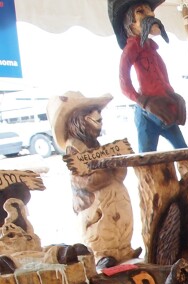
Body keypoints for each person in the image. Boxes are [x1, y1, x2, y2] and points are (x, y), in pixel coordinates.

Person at [47, 91, 141, 270]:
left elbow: (115, 174)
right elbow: (87, 180)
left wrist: (117, 163)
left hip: (114, 195)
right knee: (101, 225)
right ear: (78, 119)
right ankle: (102, 254)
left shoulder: (96, 146)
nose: (98, 115)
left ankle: (123, 249)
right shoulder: (74, 147)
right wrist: (106, 171)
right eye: (91, 111)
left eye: (98, 110)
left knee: (122, 219)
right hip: (95, 202)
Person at [110, 0, 188, 152]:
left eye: (150, 11)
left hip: (165, 111)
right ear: (131, 24)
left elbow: (163, 79)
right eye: (141, 12)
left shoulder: (152, 49)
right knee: (146, 157)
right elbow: (124, 83)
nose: (151, 15)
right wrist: (144, 102)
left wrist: (174, 96)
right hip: (148, 113)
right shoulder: (131, 48)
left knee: (184, 151)